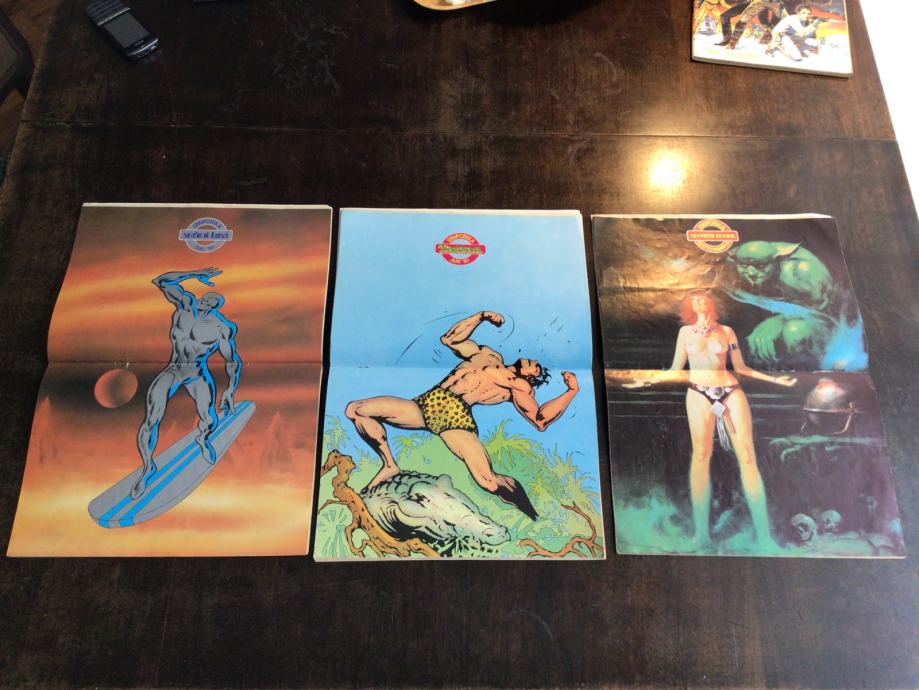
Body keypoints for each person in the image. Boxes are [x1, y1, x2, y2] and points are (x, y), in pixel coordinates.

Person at [345, 310, 579, 520]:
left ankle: (529, 510)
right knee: (356, 409)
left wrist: (571, 391)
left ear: (531, 377)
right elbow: (450, 340)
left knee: (488, 481)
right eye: (536, 363)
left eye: (537, 368)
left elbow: (540, 420)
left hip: (455, 418)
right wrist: (480, 317)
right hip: (427, 403)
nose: (535, 363)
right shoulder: (489, 355)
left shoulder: (518, 387)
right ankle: (389, 465)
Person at [625, 291, 796, 549]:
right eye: (693, 299)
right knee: (701, 456)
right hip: (698, 393)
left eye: (702, 298)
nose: (697, 301)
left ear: (712, 303)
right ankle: (701, 536)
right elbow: (675, 370)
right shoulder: (685, 333)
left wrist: (775, 380)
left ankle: (765, 537)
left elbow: (741, 368)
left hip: (730, 391)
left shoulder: (726, 331)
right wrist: (646, 381)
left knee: (747, 458)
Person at [132, 268, 241, 499]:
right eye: (205, 297)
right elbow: (160, 280)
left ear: (216, 306)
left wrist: (231, 388)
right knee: (151, 418)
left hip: (197, 374)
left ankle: (202, 439)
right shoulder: (184, 306)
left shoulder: (221, 328)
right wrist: (195, 274)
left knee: (210, 420)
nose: (204, 300)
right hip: (173, 370)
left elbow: (232, 360)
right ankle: (148, 467)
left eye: (211, 301)